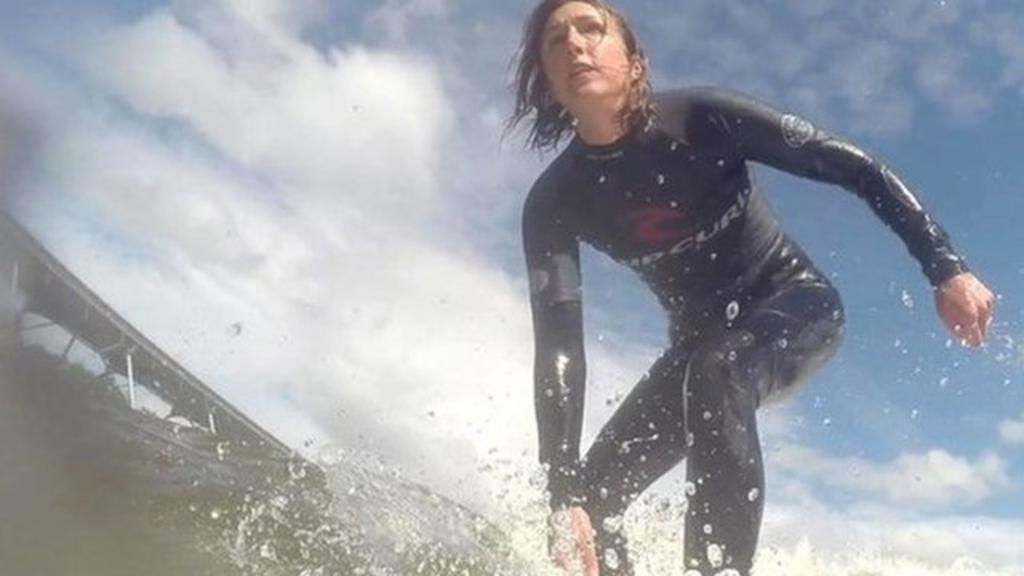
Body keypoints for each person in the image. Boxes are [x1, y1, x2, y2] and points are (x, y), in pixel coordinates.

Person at [507, 1, 997, 575]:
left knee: (718, 372)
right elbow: (559, 345)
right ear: (548, 82)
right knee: (585, 505)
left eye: (592, 29)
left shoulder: (701, 119)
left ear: (635, 61)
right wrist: (561, 489)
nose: (574, 44)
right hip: (696, 346)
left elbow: (855, 167)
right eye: (556, 40)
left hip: (791, 302)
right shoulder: (554, 201)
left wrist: (945, 266)